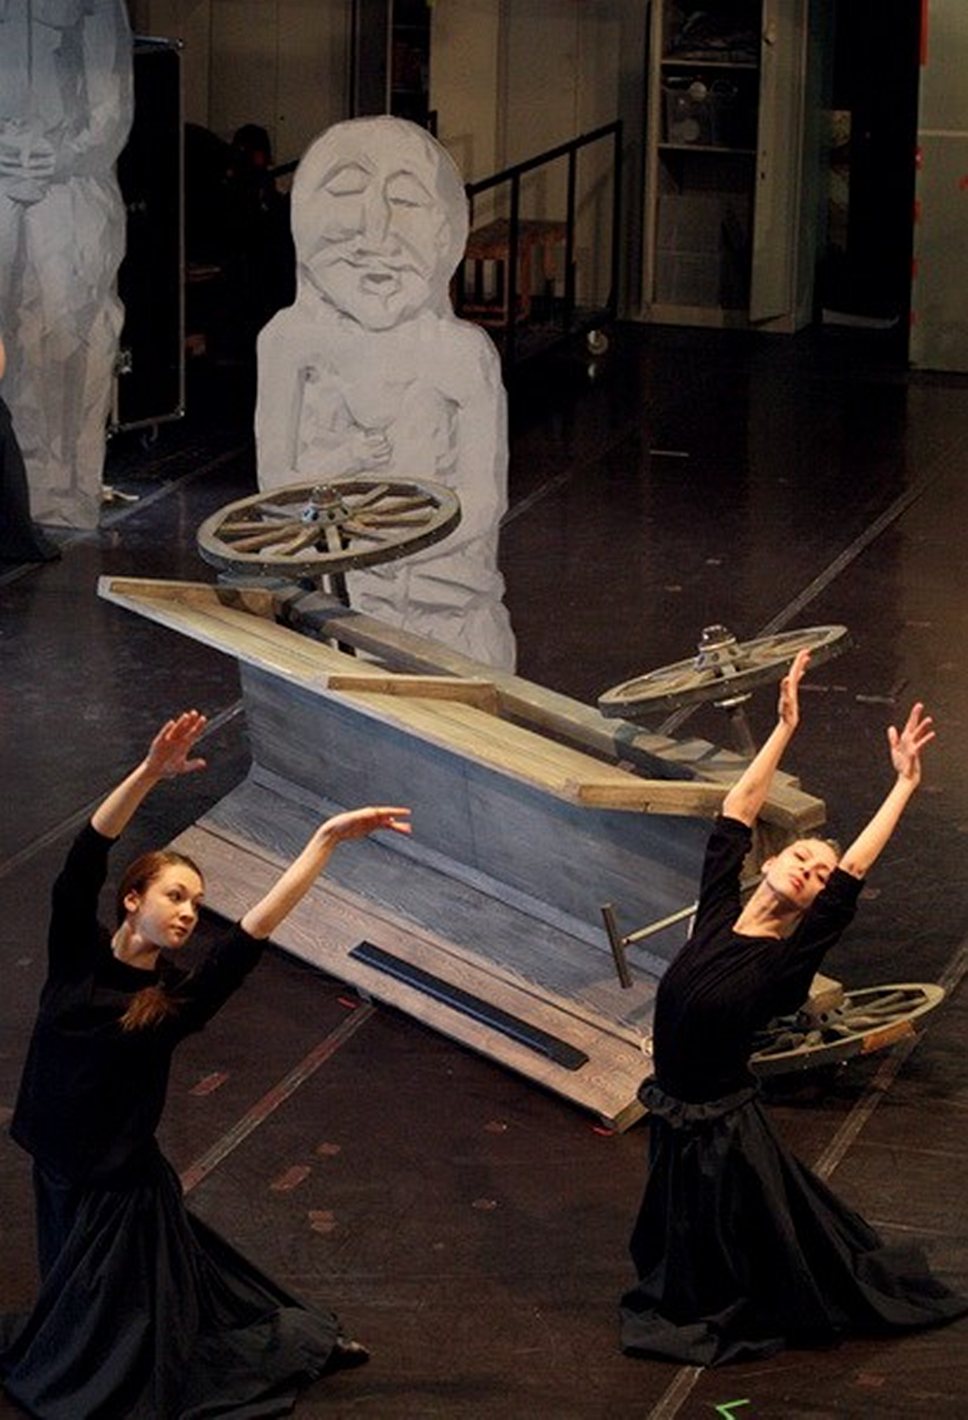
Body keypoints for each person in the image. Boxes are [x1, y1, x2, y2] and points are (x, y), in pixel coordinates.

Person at [0, 710, 411, 1417]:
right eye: (176, 895)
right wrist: (149, 772)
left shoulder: (172, 1003)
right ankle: (291, 1336)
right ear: (133, 899)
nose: (190, 912)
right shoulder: (76, 958)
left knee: (121, 1351)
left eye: (196, 903)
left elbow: (252, 933)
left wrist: (323, 842)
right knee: (122, 1303)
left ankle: (293, 1344)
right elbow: (86, 853)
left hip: (117, 1191)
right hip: (56, 1170)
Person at [620, 650, 967, 1366]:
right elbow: (736, 813)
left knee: (746, 1254)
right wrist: (783, 728)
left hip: (719, 1129)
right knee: (696, 1242)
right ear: (772, 861)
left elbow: (852, 871)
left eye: (817, 873)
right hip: (675, 1114)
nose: (808, 869)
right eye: (802, 857)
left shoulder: (784, 965)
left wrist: (903, 785)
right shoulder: (717, 915)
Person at [256, 116, 516, 670]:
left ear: (446, 230)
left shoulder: (461, 353)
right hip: (329, 593)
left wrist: (401, 548)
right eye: (346, 192)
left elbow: (483, 498)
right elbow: (275, 484)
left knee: (451, 688)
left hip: (441, 602)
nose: (375, 234)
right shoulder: (290, 342)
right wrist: (347, 539)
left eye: (405, 200)